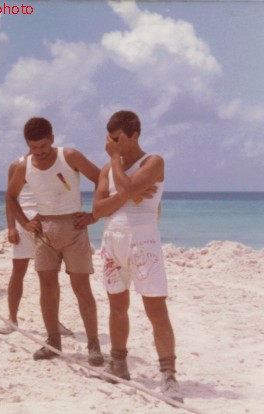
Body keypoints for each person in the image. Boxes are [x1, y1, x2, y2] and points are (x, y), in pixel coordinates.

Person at [92, 110, 183, 402]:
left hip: (143, 239)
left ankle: (168, 374)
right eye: (111, 140)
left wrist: (124, 185)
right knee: (117, 305)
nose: (115, 145)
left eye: (119, 139)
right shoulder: (109, 169)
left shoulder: (153, 162)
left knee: (156, 310)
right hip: (113, 239)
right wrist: (125, 195)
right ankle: (118, 363)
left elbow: (130, 187)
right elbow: (97, 210)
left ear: (134, 135)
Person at [5, 117, 104, 366]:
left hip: (74, 227)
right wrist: (25, 223)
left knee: (82, 289)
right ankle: (52, 341)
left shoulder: (69, 156)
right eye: (34, 147)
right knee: (47, 288)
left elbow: (102, 179)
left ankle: (94, 345)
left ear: (52, 138)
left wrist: (94, 214)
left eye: (43, 146)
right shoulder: (24, 166)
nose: (39, 152)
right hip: (44, 231)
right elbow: (10, 196)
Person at [0, 154, 74, 337]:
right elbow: (10, 198)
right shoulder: (16, 165)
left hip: (47, 223)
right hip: (23, 223)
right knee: (18, 271)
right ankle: (12, 318)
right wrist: (11, 227)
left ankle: (54, 322)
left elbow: (65, 190)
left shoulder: (55, 163)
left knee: (50, 277)